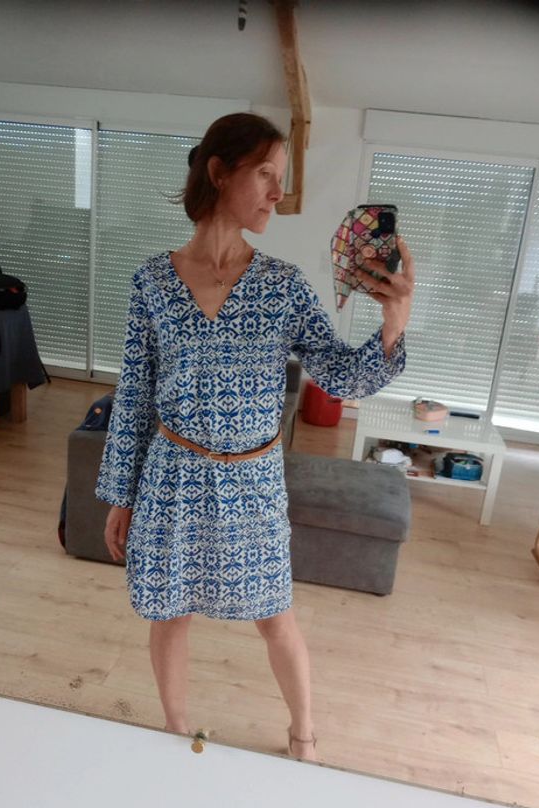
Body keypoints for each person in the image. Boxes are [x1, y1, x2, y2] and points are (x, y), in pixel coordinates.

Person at [95, 112, 414, 763]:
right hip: (172, 477)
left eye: (281, 178)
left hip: (253, 481)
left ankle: (304, 736)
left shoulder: (282, 287)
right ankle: (175, 732)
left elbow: (339, 374)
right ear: (220, 172)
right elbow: (133, 396)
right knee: (168, 610)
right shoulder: (152, 281)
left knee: (275, 614)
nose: (277, 192)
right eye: (266, 174)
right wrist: (119, 495)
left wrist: (393, 325)